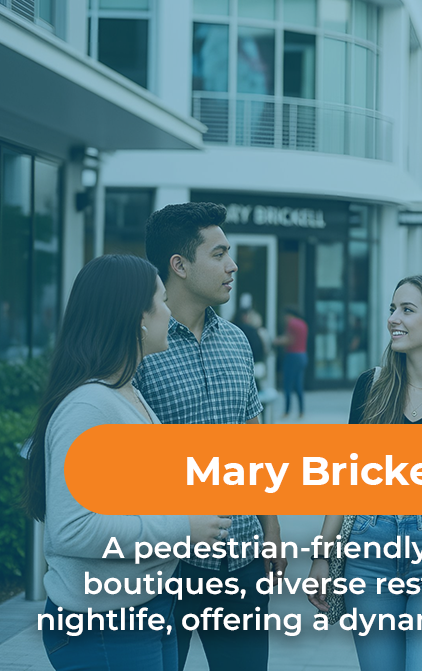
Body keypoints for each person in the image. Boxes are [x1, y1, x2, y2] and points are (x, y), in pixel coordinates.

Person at [22, 255, 230, 671]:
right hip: (105, 627)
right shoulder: (88, 405)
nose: (170, 311)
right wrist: (183, 528)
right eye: (161, 300)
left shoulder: (123, 394)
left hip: (145, 609)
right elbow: (71, 530)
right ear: (137, 318)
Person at [307, 275, 422, 671]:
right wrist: (321, 555)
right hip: (369, 549)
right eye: (393, 309)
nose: (394, 318)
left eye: (407, 310)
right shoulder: (372, 386)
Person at [133, 202, 285, 671]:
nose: (232, 266)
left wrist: (271, 525)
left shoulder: (237, 341)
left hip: (240, 561)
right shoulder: (137, 347)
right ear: (179, 266)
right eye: (219, 254)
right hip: (168, 568)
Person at [272, 306, 309, 418]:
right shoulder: (303, 324)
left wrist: (276, 341)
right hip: (302, 355)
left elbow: (289, 340)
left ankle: (287, 411)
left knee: (287, 384)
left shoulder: (291, 324)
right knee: (298, 385)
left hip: (292, 355)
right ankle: (301, 411)